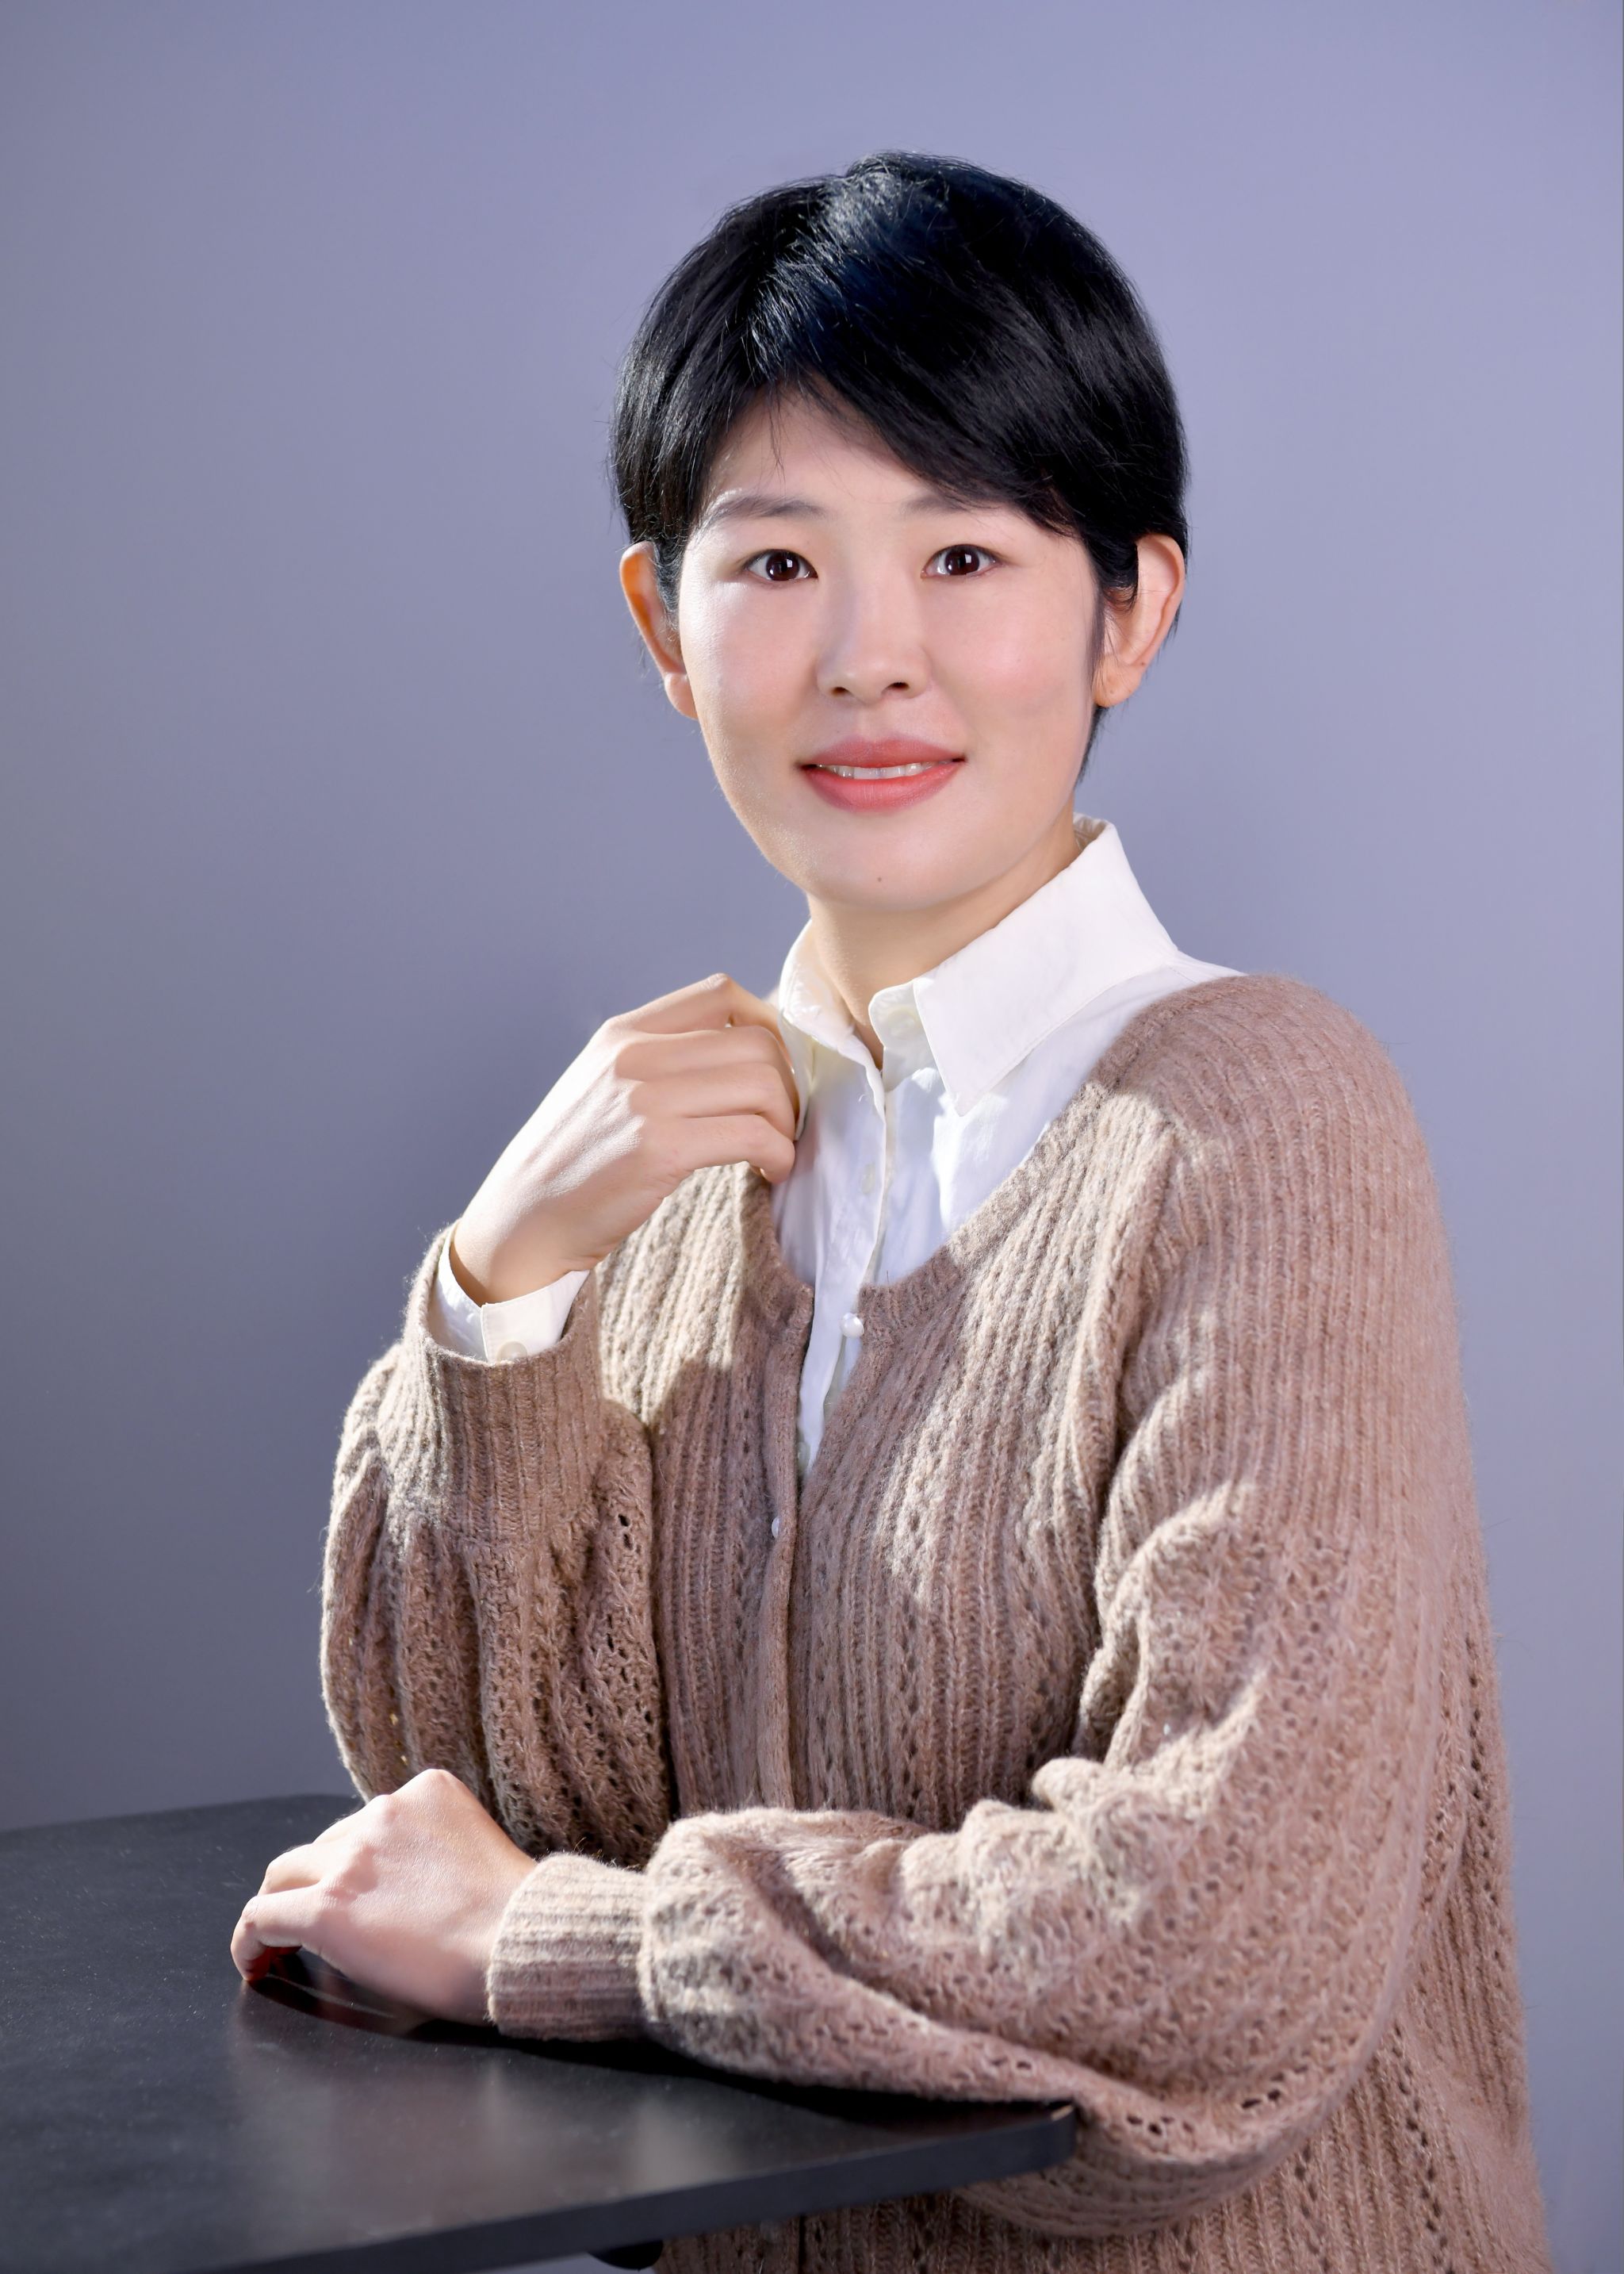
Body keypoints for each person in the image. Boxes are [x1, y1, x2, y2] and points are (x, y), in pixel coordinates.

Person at [230, 152, 1554, 2272]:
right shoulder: (665, 1191)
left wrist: (564, 1943)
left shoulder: (1260, 1124)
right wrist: (500, 1286)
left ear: (1133, 608)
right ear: (662, 627)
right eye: (777, 562)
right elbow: (450, 1831)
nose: (870, 656)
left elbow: (1214, 1950)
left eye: (964, 553)